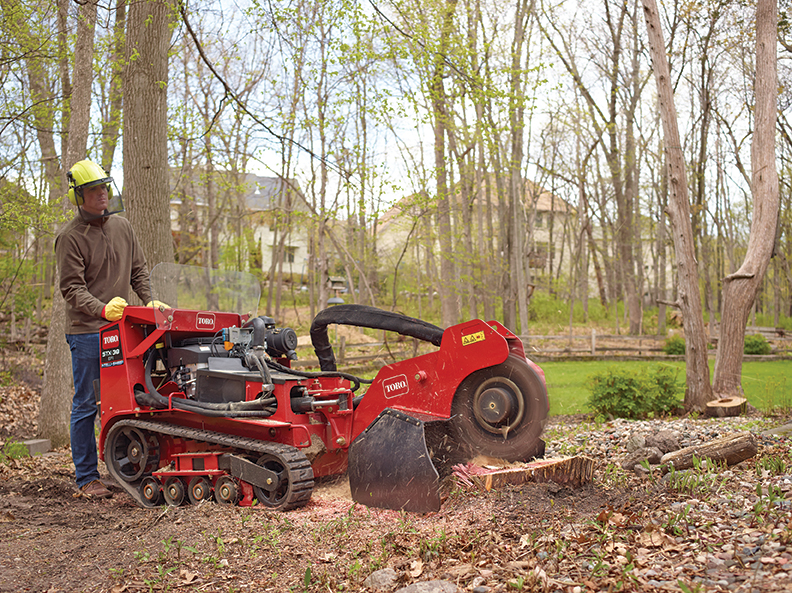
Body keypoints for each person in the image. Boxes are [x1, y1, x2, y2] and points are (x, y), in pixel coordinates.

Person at [55, 159, 153, 499]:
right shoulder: (70, 237)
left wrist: (150, 302)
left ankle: (121, 465)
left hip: (120, 328)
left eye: (104, 187)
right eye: (94, 190)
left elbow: (139, 270)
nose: (102, 194)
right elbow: (72, 288)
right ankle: (86, 477)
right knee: (87, 403)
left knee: (124, 399)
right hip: (86, 330)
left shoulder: (122, 227)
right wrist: (101, 308)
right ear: (79, 195)